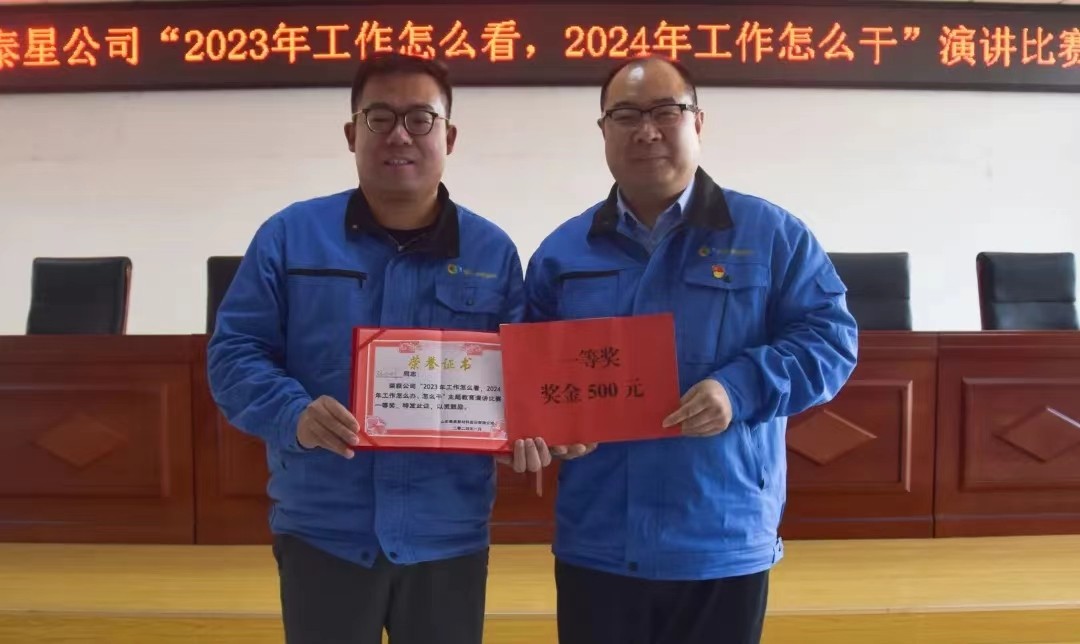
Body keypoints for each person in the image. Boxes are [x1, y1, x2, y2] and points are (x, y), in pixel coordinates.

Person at [207, 53, 552, 644]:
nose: (400, 135)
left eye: (420, 118)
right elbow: (234, 353)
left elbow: (522, 377)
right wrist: (294, 414)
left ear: (448, 136)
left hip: (447, 533)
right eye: (380, 117)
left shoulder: (492, 251)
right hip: (324, 529)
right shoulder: (291, 236)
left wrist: (530, 428)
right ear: (352, 133)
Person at [524, 56, 859, 644]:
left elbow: (830, 341)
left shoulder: (770, 234)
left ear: (697, 122)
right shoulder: (563, 251)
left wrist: (739, 389)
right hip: (599, 537)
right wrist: (545, 428)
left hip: (721, 534)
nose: (645, 130)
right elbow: (529, 378)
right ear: (603, 130)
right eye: (625, 115)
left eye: (665, 111)